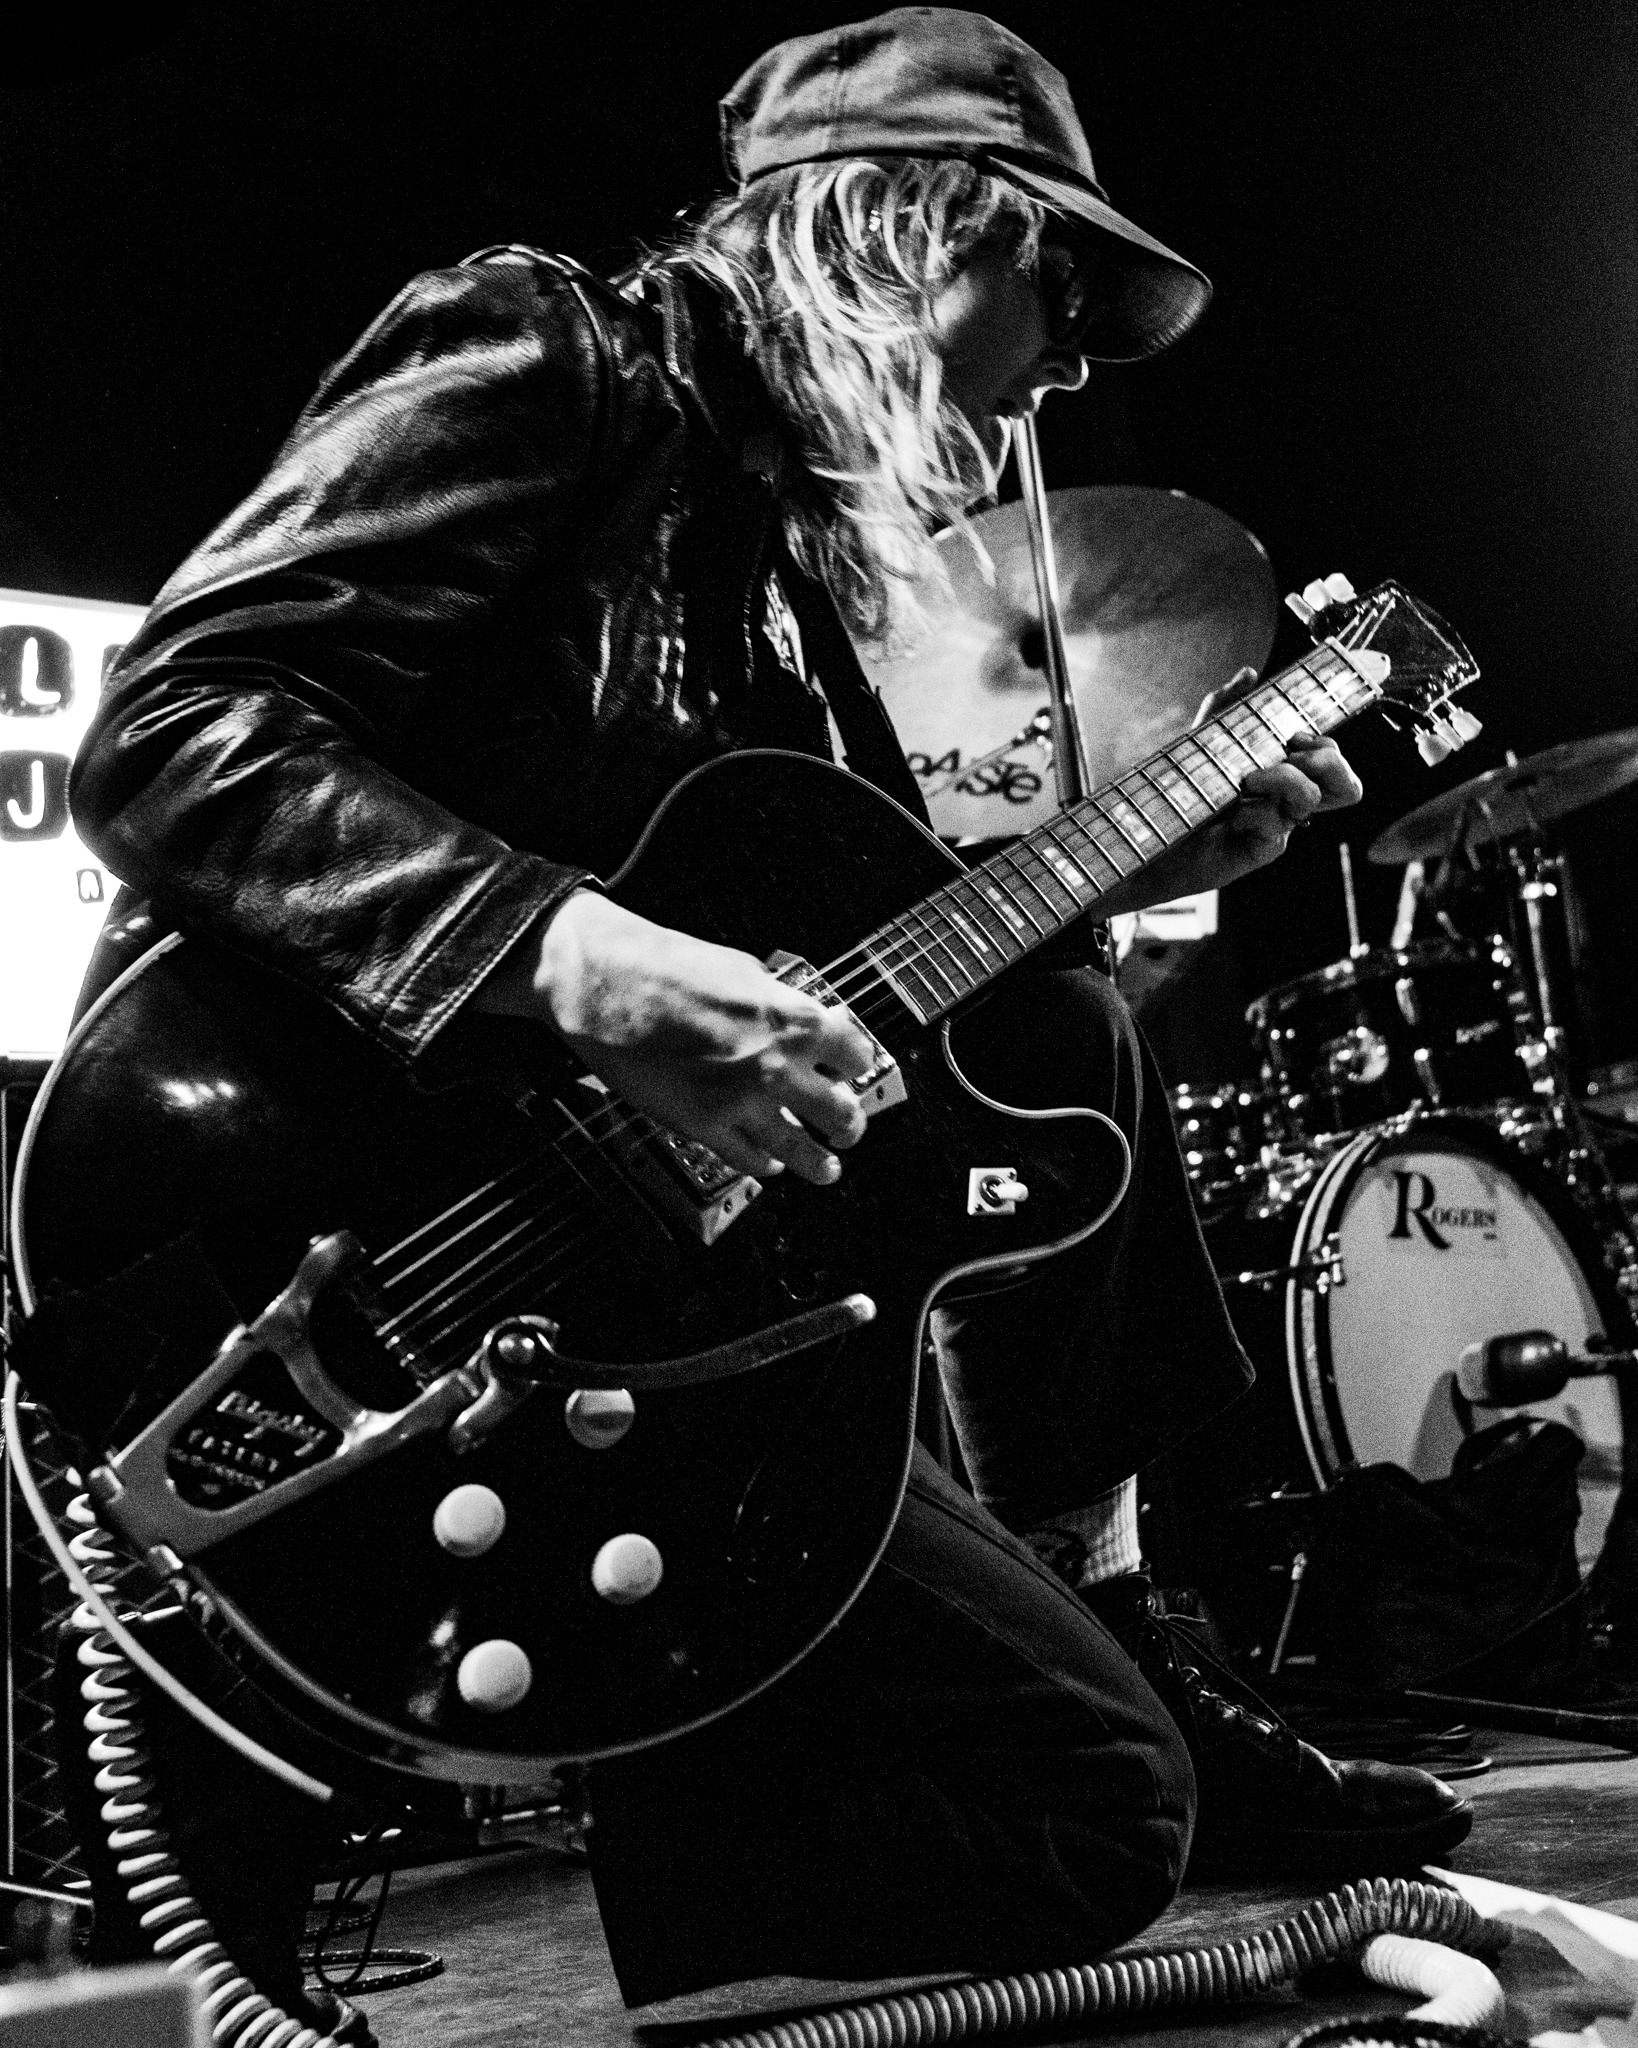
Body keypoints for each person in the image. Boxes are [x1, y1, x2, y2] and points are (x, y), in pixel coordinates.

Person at [60, 6, 1471, 2021]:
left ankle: (760, 1801)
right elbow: (178, 729)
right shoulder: (549, 355)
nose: (1076, 363)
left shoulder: (789, 574)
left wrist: (1151, 856)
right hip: (314, 1214)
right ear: (912, 227)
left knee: (1094, 1800)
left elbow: (878, 963)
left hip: (645, 1315)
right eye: (1061, 287)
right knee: (227, 1965)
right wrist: (573, 958)